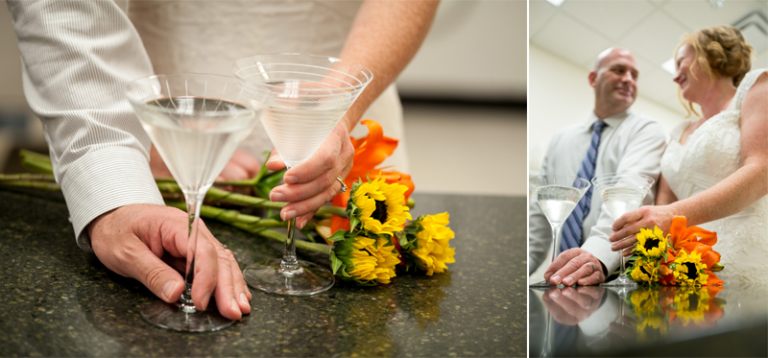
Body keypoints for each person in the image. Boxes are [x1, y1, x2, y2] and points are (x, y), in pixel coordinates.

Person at [7, 0, 439, 319]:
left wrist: (341, 108)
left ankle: (288, 258)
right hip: (156, 118)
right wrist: (122, 165)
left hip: (349, 119)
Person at [608, 26, 768, 285]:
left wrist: (671, 216)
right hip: (683, 268)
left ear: (711, 55)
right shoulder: (679, 130)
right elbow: (663, 202)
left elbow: (762, 170)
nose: (674, 76)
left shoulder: (756, 87)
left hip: (745, 257)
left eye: (681, 62)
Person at [528, 47, 666, 286]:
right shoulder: (561, 139)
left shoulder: (647, 129)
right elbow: (539, 213)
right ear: (593, 78)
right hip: (560, 276)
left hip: (610, 275)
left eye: (634, 75)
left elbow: (627, 196)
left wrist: (597, 257)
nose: (628, 79)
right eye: (619, 70)